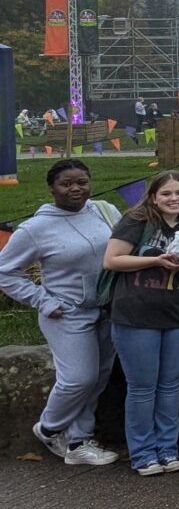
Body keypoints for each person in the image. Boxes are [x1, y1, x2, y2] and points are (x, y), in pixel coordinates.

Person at [0, 159, 120, 466]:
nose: (76, 189)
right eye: (67, 184)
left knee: (99, 377)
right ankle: (49, 428)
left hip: (107, 308)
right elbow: (5, 271)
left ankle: (80, 441)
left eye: (82, 181)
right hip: (66, 313)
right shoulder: (36, 228)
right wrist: (42, 300)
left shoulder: (104, 211)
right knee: (78, 378)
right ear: (52, 188)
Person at [100, 170, 179, 475]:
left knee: (171, 385)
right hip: (136, 313)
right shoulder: (137, 221)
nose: (174, 199)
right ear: (154, 196)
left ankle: (168, 448)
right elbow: (112, 260)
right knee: (143, 387)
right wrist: (157, 260)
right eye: (167, 194)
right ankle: (143, 452)